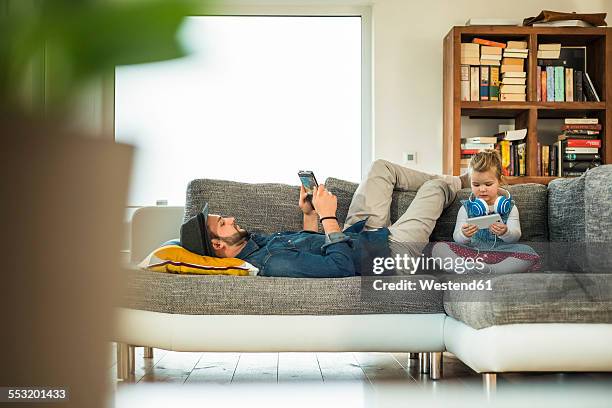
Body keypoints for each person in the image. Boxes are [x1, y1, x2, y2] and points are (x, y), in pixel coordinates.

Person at [181, 160, 471, 278]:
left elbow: (313, 245)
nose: (231, 218)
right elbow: (339, 267)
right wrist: (327, 215)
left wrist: (309, 214)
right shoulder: (272, 264)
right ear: (218, 246)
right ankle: (467, 184)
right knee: (435, 189)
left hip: (358, 234)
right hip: (388, 254)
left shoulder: (257, 244)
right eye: (222, 223)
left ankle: (461, 180)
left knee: (381, 167)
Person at [431, 150, 539, 274]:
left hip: (501, 252)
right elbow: (457, 238)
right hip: (472, 252)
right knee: (439, 247)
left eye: (488, 184)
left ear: (500, 181)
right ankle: (463, 267)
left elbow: (515, 237)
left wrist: (506, 232)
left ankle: (492, 270)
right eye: (476, 185)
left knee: (529, 252)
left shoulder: (510, 207)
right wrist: (464, 234)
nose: (482, 189)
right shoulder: (466, 208)